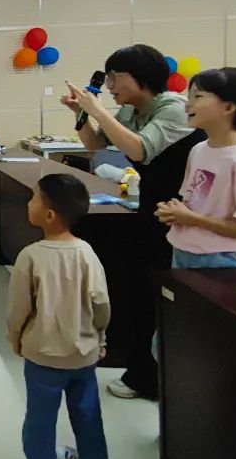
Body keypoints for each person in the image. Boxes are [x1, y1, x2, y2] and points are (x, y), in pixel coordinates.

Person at [63, 44, 204, 400]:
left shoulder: (173, 108)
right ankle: (140, 371)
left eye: (116, 77)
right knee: (137, 289)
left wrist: (97, 109)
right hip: (153, 206)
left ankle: (159, 379)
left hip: (184, 213)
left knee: (161, 296)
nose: (110, 85)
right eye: (107, 78)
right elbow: (98, 145)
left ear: (143, 77)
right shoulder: (130, 110)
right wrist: (82, 115)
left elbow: (140, 149)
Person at [6, 173, 109, 459]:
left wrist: (15, 336)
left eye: (33, 198)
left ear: (48, 215)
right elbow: (101, 303)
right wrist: (101, 337)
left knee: (41, 412)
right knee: (87, 409)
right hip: (83, 354)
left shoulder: (30, 256)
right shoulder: (87, 253)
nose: (28, 203)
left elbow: (19, 307)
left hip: (43, 354)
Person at [155, 68, 236, 273]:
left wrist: (192, 219)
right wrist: (174, 212)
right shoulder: (199, 149)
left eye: (198, 96)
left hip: (222, 262)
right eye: (189, 96)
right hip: (183, 254)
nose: (188, 104)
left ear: (228, 107)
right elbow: (197, 204)